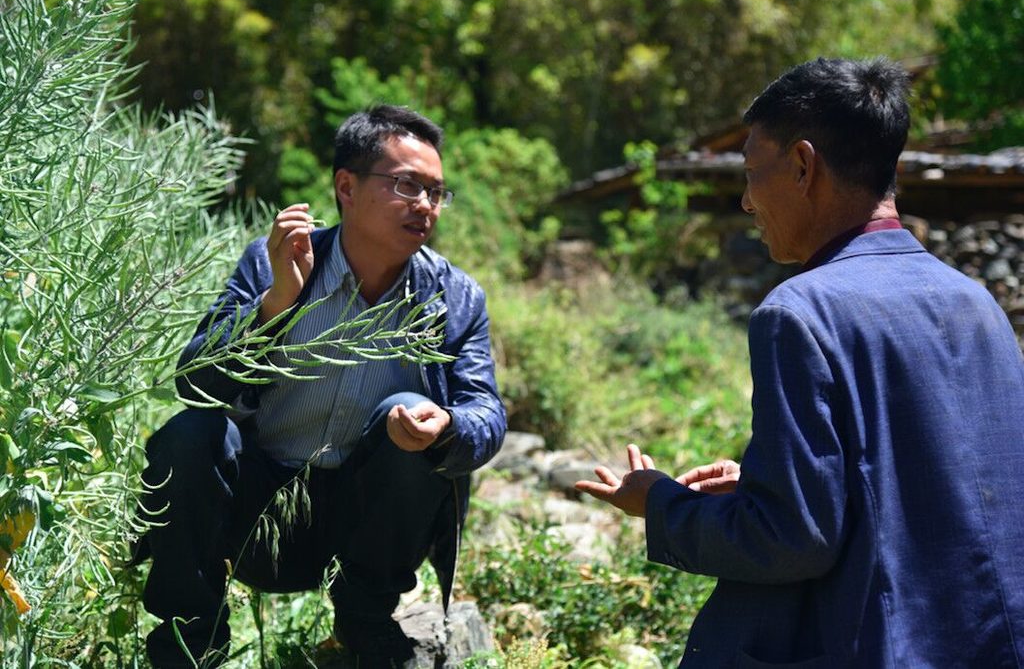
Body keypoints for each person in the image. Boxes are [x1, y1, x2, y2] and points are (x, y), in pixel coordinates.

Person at [576, 57, 1024, 667]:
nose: (745, 201)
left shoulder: (799, 313)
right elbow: (938, 483)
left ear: (803, 166)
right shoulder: (979, 304)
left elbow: (792, 539)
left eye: (752, 174)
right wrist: (765, 482)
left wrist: (660, 503)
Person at [132, 105, 507, 668]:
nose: (426, 206)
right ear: (346, 187)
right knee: (192, 433)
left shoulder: (455, 297)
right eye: (408, 185)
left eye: (436, 192)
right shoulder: (275, 263)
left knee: (414, 413)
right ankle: (188, 642)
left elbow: (486, 411)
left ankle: (366, 628)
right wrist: (276, 303)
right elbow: (196, 383)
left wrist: (449, 428)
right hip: (258, 515)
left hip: (366, 528)